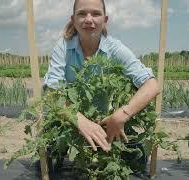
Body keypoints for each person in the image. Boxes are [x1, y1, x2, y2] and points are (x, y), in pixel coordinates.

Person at [43, 0, 160, 152]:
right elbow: (52, 93)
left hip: (106, 121)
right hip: (69, 120)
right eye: (82, 14)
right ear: (73, 20)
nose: (89, 19)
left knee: (132, 156)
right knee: (50, 153)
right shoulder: (63, 47)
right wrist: (81, 121)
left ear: (105, 20)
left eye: (96, 14)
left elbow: (152, 85)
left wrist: (122, 115)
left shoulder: (115, 49)